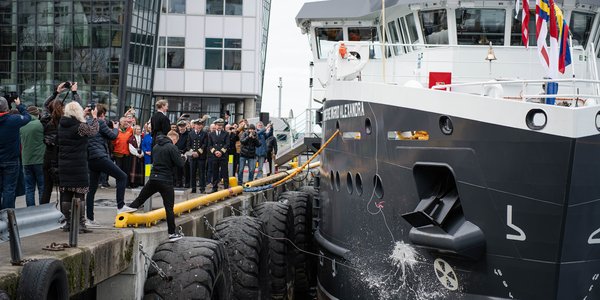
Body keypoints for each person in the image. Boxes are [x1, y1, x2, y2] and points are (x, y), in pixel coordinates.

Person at [128, 130, 185, 241]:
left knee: (140, 199)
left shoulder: (156, 146)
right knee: (169, 208)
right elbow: (180, 164)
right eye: (176, 141)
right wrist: (183, 158)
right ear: (173, 139)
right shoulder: (172, 147)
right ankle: (172, 233)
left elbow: (160, 161)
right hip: (166, 180)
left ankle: (123, 216)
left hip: (153, 178)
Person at [85, 105, 133, 228]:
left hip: (91, 158)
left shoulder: (86, 122)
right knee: (122, 177)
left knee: (92, 189)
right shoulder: (100, 122)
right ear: (102, 115)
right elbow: (113, 136)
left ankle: (89, 218)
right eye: (105, 115)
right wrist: (116, 128)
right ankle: (120, 206)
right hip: (100, 157)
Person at [58, 101, 98, 233]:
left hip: (64, 164)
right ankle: (80, 224)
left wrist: (84, 117)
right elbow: (93, 131)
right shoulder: (80, 127)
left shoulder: (62, 125)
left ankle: (68, 223)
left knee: (66, 194)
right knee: (80, 193)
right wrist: (95, 117)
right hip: (78, 164)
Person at [0, 97, 30, 209]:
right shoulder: (13, 120)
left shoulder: (12, 119)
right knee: (9, 189)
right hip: (11, 160)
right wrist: (19, 105)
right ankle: (7, 215)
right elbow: (27, 117)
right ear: (7, 108)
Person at [20, 106, 46, 207]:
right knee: (42, 187)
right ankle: (42, 210)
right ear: (37, 114)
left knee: (29, 188)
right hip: (40, 160)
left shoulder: (22, 126)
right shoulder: (41, 125)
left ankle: (30, 210)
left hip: (26, 160)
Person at [208, 118, 230, 193]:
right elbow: (210, 145)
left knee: (224, 172)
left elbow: (227, 144)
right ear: (215, 125)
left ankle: (226, 187)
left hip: (223, 156)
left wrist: (221, 152)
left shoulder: (226, 134)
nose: (219, 126)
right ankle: (214, 188)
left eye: (221, 125)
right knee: (215, 172)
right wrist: (215, 152)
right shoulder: (211, 134)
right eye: (218, 125)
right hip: (214, 156)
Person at [188, 119, 208, 194]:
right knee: (192, 172)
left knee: (201, 172)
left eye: (200, 125)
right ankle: (193, 188)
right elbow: (188, 145)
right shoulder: (190, 134)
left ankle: (202, 188)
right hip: (192, 156)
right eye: (197, 124)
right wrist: (192, 152)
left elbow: (205, 144)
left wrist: (198, 152)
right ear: (194, 125)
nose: (199, 126)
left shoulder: (204, 134)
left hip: (201, 156)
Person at [113, 116, 133, 187]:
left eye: (127, 121)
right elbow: (113, 141)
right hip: (118, 153)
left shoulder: (130, 130)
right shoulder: (116, 130)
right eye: (124, 121)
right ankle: (118, 183)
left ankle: (125, 184)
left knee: (126, 169)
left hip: (127, 153)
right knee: (118, 169)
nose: (126, 123)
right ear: (120, 123)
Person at [174, 121, 190, 188]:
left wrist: (183, 152)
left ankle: (187, 183)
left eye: (183, 126)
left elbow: (188, 144)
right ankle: (179, 183)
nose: (181, 128)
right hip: (177, 153)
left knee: (186, 169)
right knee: (178, 170)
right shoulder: (177, 134)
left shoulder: (188, 134)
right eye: (180, 126)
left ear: (185, 126)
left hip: (185, 154)